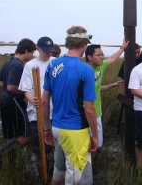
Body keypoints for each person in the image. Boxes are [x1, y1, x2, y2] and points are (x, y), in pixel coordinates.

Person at [42, 26, 98, 185]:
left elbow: (44, 101)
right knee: (80, 180)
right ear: (84, 44)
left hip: (57, 128)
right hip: (76, 132)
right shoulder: (85, 69)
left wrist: (47, 129)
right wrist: (95, 135)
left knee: (59, 174)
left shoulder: (52, 65)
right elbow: (89, 108)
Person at [18, 36, 55, 171]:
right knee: (40, 150)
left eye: (50, 51)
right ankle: (43, 176)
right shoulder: (30, 65)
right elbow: (26, 88)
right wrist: (30, 98)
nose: (48, 54)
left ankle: (55, 175)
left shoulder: (55, 63)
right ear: (38, 49)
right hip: (37, 113)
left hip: (54, 112)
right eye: (46, 51)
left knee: (55, 148)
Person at [86, 38, 128, 150]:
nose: (102, 57)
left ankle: (93, 162)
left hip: (97, 110)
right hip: (86, 111)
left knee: (96, 143)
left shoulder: (100, 66)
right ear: (89, 57)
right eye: (98, 55)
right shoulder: (84, 71)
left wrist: (122, 48)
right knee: (87, 142)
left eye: (102, 54)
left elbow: (112, 59)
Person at [0, 38, 36, 153]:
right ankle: (2, 153)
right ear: (26, 50)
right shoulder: (18, 65)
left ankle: (10, 160)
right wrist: (27, 91)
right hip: (13, 100)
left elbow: (0, 82)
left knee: (13, 133)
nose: (32, 55)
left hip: (5, 100)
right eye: (32, 52)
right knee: (29, 133)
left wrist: (6, 89)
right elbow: (11, 87)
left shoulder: (8, 62)